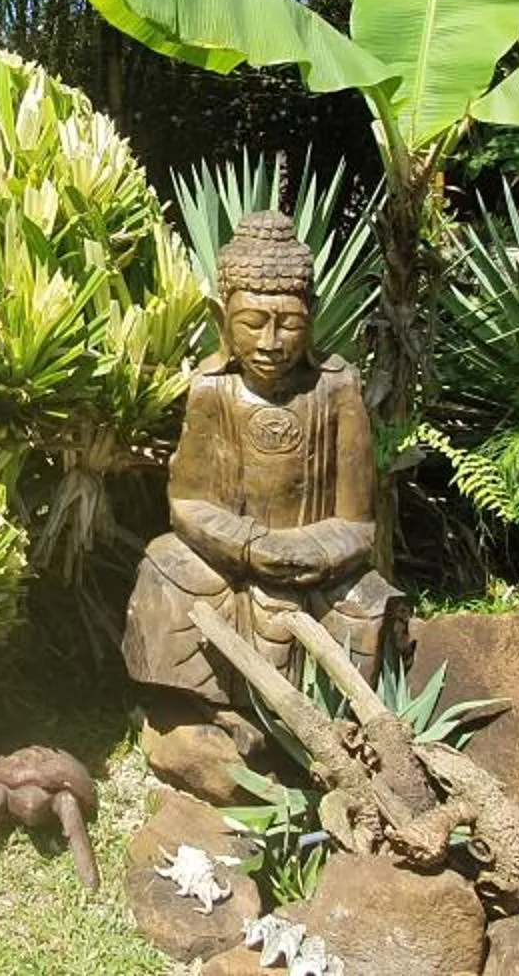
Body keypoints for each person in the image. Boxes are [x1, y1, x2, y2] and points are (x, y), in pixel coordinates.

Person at [120, 211, 399, 708]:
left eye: (290, 325)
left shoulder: (337, 388)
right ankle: (193, 713)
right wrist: (250, 546)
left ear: (311, 319)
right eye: (252, 323)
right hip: (226, 562)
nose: (271, 343)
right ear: (220, 319)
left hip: (319, 565)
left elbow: (359, 523)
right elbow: (185, 502)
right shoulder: (211, 389)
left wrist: (309, 553)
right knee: (163, 566)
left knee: (367, 603)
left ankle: (341, 719)